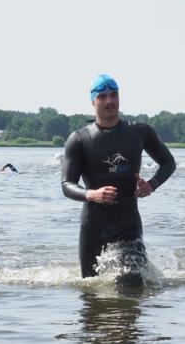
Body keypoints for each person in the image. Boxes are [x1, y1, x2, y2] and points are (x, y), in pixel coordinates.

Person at [60, 74, 176, 280]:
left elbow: (168, 163)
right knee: (90, 292)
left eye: (114, 95)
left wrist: (152, 184)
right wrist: (90, 194)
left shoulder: (139, 132)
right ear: (93, 101)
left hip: (128, 225)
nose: (109, 101)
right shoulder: (79, 139)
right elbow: (67, 184)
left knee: (131, 281)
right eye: (103, 97)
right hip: (93, 228)